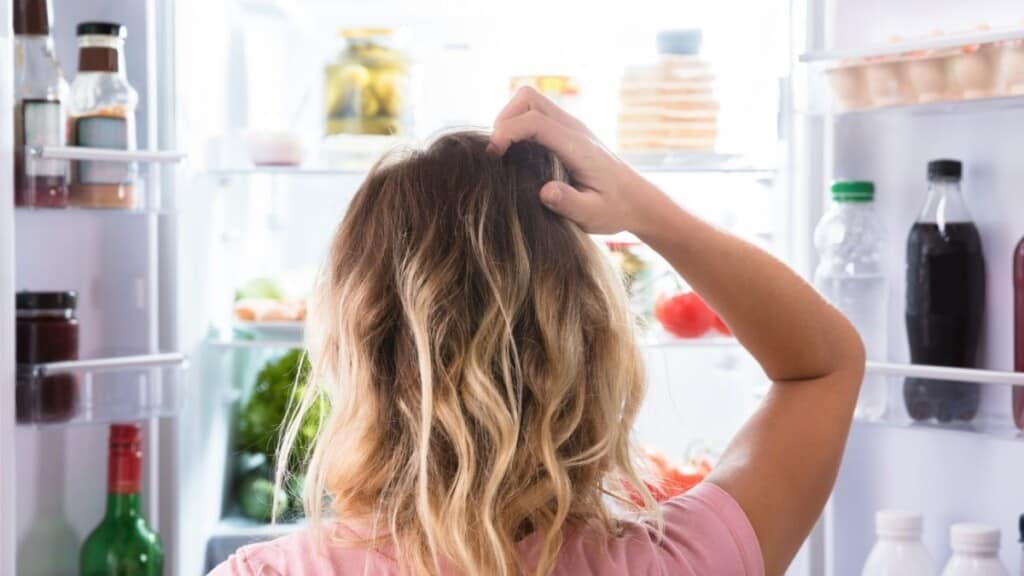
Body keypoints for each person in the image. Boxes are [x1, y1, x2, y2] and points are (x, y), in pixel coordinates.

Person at [211, 88, 864, 576]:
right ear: (592, 340)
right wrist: (645, 209)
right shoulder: (679, 562)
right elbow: (824, 366)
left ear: (354, 346)